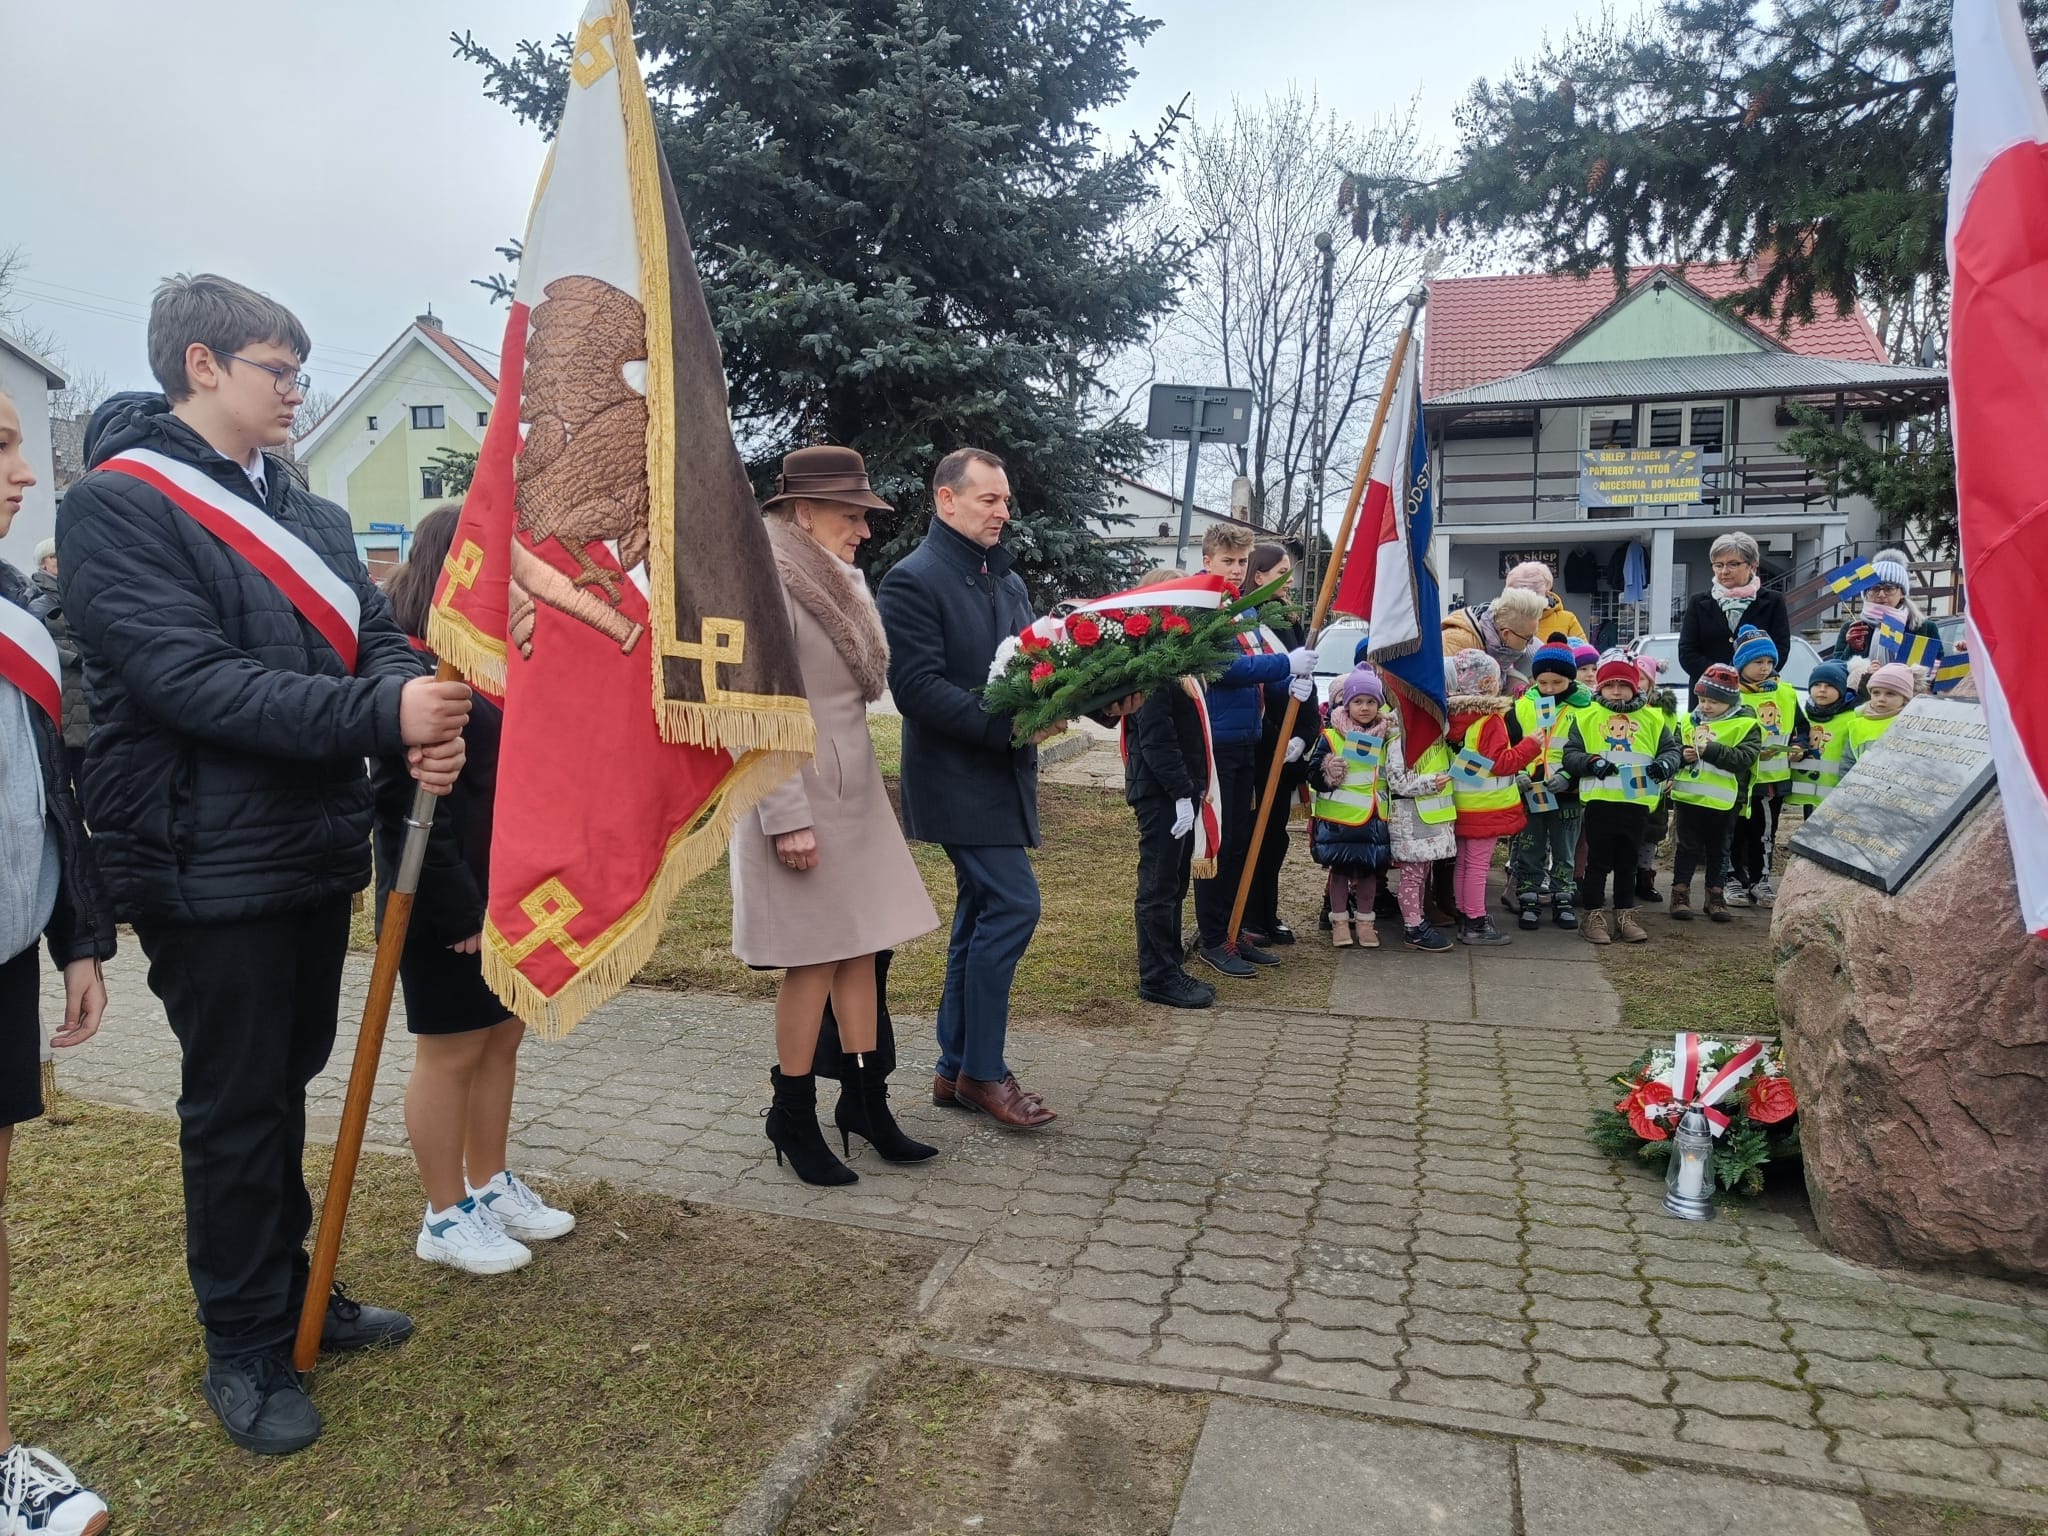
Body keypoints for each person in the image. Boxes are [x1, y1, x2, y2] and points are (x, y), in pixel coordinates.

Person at [56, 274, 472, 1456]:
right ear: (200, 366)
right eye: (277, 371)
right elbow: (189, 681)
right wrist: (382, 720)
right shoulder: (118, 509)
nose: (298, 391)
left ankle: (297, 1292)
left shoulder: (307, 510)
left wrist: (406, 692)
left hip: (305, 844)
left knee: (285, 1077)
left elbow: (375, 636)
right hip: (199, 852)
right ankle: (243, 1342)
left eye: (297, 372)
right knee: (236, 1105)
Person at [878, 449, 1138, 1129]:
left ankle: (954, 1068)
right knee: (1014, 905)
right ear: (946, 500)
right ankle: (984, 1074)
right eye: (989, 499)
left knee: (979, 917)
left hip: (1003, 779)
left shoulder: (1011, 582)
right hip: (956, 779)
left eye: (1005, 501)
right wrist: (1010, 728)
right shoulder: (913, 580)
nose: (1003, 512)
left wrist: (1106, 706)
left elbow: (1039, 672)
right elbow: (917, 689)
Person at [372, 506, 574, 1272]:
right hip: (443, 895)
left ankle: (489, 1185)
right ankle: (444, 1211)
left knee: (501, 1038)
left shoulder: (496, 661)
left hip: (508, 889)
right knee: (450, 1050)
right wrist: (458, 907)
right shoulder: (423, 670)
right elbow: (410, 807)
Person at [738, 447, 942, 1179]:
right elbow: (757, 710)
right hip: (798, 797)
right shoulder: (763, 583)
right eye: (851, 515)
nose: (864, 529)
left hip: (853, 796)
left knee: (864, 948)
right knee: (814, 959)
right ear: (802, 512)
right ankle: (790, 1114)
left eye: (864, 515)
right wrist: (784, 814)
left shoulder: (834, 578)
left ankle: (864, 1098)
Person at [0, 389, 115, 1536]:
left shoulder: (14, 610)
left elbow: (48, 791)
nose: (25, 470)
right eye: (0, 448)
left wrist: (76, 936)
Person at [1189, 523, 1315, 979]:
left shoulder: (1241, 610)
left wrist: (1291, 682)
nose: (1236, 569)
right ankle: (1212, 938)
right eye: (1228, 561)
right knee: (1220, 848)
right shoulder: (1201, 605)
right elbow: (1223, 667)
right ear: (1207, 561)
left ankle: (1234, 928)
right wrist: (1285, 663)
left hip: (1248, 738)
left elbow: (1259, 668)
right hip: (1218, 741)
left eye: (1242, 562)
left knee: (1241, 843)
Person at [1123, 566, 1221, 1010]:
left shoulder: (1174, 655)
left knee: (1175, 881)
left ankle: (1171, 964)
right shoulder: (1153, 662)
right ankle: (1157, 975)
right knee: (1160, 884)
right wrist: (1182, 791)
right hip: (1162, 793)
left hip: (1177, 791)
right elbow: (1156, 738)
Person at [1563, 651, 1682, 946]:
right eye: (1610, 685)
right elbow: (1571, 755)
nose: (1616, 691)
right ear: (1599, 687)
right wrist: (1590, 763)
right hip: (1601, 803)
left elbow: (1672, 750)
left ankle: (1624, 915)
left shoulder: (1653, 718)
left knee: (1628, 863)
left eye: (1623, 685)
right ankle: (1593, 916)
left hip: (1637, 803)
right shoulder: (1587, 716)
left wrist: (1665, 765)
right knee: (1599, 862)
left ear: (1635, 687)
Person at [1241, 542, 1318, 948]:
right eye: (1280, 572)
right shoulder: (1247, 621)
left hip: (1288, 747)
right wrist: (1278, 735)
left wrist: (1304, 735)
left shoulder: (1289, 621)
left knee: (1276, 838)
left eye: (1290, 571)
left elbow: (1306, 688)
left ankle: (1267, 914)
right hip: (1259, 746)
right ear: (1258, 576)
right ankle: (1250, 916)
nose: (1289, 580)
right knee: (1256, 835)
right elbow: (1258, 687)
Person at [1444, 649, 1544, 945]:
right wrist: (1530, 746)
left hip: (1460, 804)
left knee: (1463, 863)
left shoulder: (1452, 718)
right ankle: (1475, 920)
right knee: (1477, 866)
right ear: (1490, 683)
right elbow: (1501, 763)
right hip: (1486, 807)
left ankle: (1464, 914)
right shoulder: (1489, 720)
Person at [1307, 667, 1393, 947]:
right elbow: (1312, 776)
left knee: (1369, 873)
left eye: (1370, 701)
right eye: (1358, 701)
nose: (1364, 708)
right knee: (1340, 872)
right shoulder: (1331, 737)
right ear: (1347, 704)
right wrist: (1327, 770)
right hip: (1340, 821)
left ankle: (1366, 923)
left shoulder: (1388, 737)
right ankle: (1340, 922)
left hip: (1374, 820)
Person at [1666, 664, 1759, 924]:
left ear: (1729, 702)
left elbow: (1745, 758)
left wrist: (1711, 750)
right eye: (1702, 700)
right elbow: (1672, 749)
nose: (1706, 706)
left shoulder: (1745, 724)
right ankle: (1680, 894)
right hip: (1689, 798)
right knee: (1687, 848)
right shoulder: (1687, 721)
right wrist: (1682, 756)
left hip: (1724, 801)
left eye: (1714, 702)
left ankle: (1715, 896)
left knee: (1720, 849)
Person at [1508, 635, 1589, 931]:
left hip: (1567, 792)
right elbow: (1510, 743)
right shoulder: (1522, 706)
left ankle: (1562, 898)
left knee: (1565, 850)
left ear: (1569, 678)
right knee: (1530, 845)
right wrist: (1516, 771)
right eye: (1543, 682)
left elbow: (1590, 750)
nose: (1549, 689)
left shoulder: (1586, 708)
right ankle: (1528, 897)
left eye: (1557, 682)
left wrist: (1570, 776)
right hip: (1531, 789)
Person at [1725, 626, 1802, 909]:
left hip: (1771, 779)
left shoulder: (1787, 693)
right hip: (1738, 779)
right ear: (1742, 663)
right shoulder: (1730, 695)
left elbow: (1800, 730)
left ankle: (1761, 880)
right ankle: (1732, 878)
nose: (1764, 668)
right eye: (1758, 662)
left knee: (1764, 833)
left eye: (1770, 662)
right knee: (1733, 831)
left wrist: (1799, 746)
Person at [1384, 700, 1457, 953]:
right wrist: (1430, 783)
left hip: (1433, 820)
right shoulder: (1399, 742)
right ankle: (1413, 927)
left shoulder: (1437, 744)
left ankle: (1418, 920)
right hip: (1411, 820)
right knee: (1412, 875)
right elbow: (1397, 781)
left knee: (1421, 873)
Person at [1677, 532, 1791, 679]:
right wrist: (1722, 677)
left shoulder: (1773, 601)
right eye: (1719, 565)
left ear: (1752, 566)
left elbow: (1780, 648)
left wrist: (1747, 676)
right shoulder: (1698, 603)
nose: (1724, 571)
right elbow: (1687, 652)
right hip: (1708, 692)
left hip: (1755, 691)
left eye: (1733, 564)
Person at [25, 536, 88, 791]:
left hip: (82, 690)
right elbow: (38, 641)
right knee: (64, 764)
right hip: (60, 687)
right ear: (43, 563)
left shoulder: (75, 593)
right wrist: (73, 658)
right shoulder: (38, 602)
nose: (59, 562)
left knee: (86, 764)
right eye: (53, 557)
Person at [1831, 549, 1943, 663]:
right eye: (1874, 588)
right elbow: (1836, 672)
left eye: (1889, 588)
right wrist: (1853, 648)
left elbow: (1933, 675)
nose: (1881, 594)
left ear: (1902, 593)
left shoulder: (1924, 628)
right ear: (1865, 593)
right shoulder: (1853, 629)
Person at [1823, 661, 1916, 778]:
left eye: (1890, 694)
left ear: (1905, 697)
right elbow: (1847, 763)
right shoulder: (1857, 723)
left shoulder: (1913, 725)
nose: (1881, 699)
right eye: (1876, 693)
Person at [1788, 660, 1854, 813]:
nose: (1822, 690)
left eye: (1830, 685)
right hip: (1806, 791)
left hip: (1836, 795)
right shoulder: (1802, 716)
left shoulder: (1852, 719)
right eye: (1817, 685)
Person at [1442, 587, 1547, 683]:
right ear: (1506, 634)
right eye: (1528, 638)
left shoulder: (1501, 649)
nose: (1532, 642)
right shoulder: (1454, 642)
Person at [1503, 560, 1587, 643]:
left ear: (1546, 591)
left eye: (1532, 593)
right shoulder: (1502, 620)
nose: (1525, 602)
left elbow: (1584, 655)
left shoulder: (1567, 620)